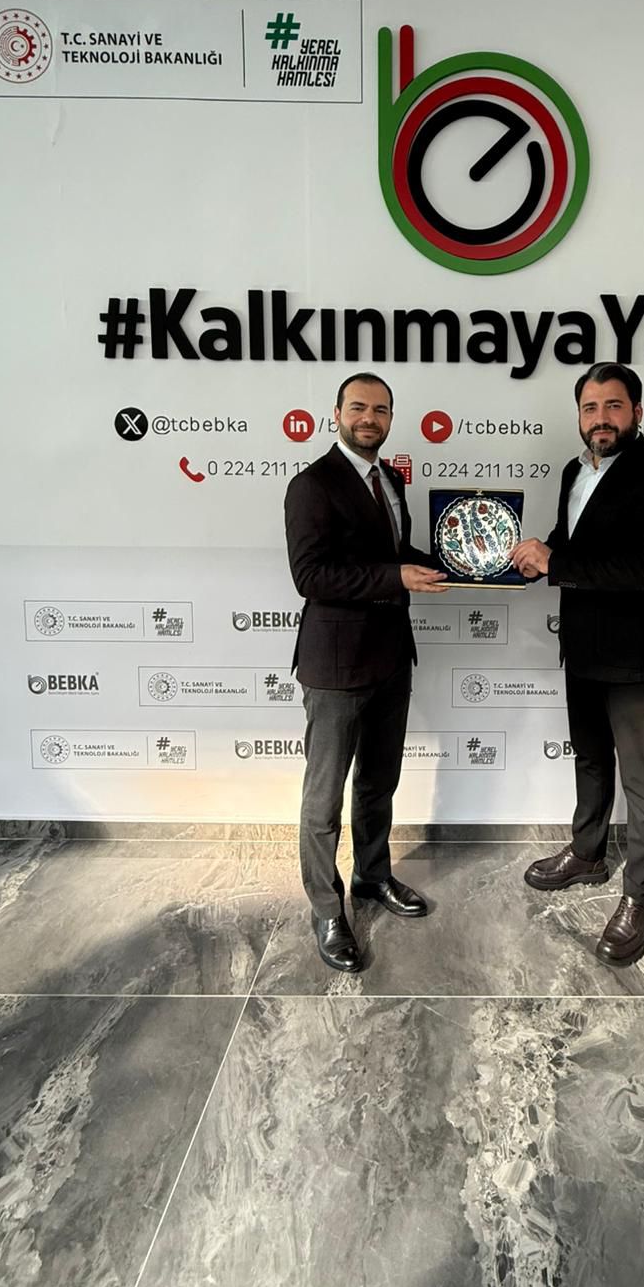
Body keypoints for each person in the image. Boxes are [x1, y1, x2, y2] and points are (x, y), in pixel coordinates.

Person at [511, 363, 644, 965]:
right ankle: (587, 853)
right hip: (582, 650)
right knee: (590, 760)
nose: (601, 419)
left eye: (613, 406)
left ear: (637, 412)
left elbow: (642, 570)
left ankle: (641, 897)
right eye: (590, 408)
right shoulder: (574, 471)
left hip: (637, 658)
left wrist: (554, 563)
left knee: (643, 782)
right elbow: (572, 543)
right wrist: (531, 558)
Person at [284, 374, 447, 973]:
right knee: (323, 799)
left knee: (379, 784)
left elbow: (397, 557)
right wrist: (395, 577)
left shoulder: (391, 479)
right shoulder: (312, 485)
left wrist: (474, 561)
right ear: (336, 414)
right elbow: (311, 577)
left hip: (391, 659)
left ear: (390, 419)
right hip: (334, 665)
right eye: (358, 407)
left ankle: (372, 876)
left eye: (380, 410)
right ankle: (327, 910)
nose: (369, 418)